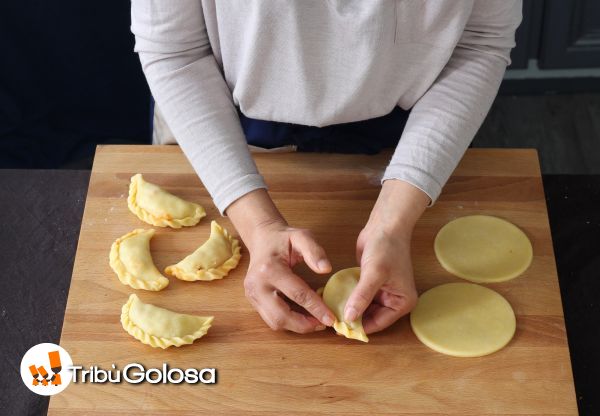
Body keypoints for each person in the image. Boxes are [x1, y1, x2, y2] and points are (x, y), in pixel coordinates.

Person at [130, 1, 522, 335]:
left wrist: (395, 219)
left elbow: (478, 42)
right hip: (221, 121)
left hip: (413, 126)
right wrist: (258, 225)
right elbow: (177, 51)